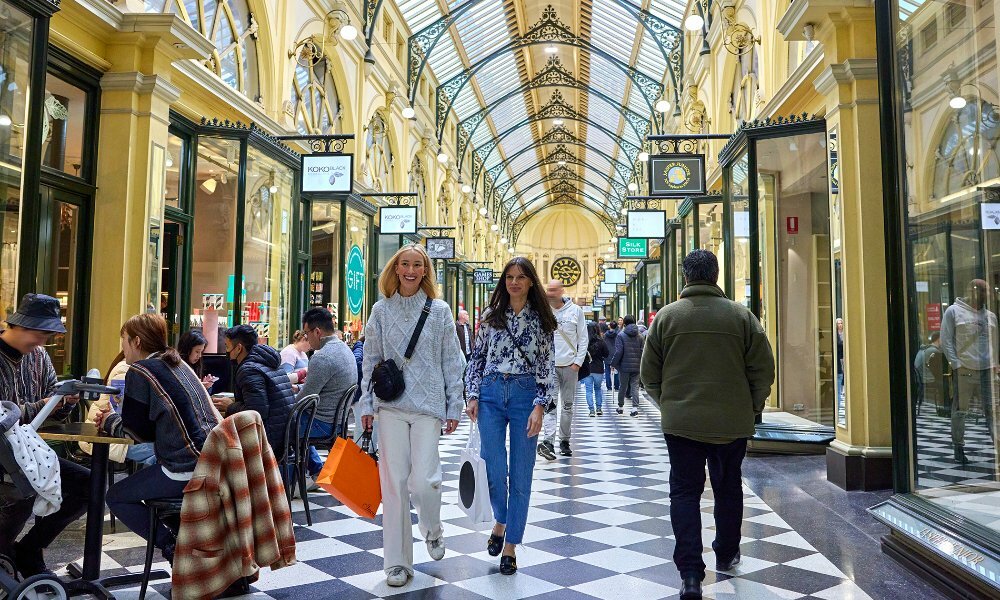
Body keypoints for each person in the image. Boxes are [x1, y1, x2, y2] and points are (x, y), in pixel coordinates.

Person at [640, 250, 774, 600]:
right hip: (732, 422)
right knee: (728, 487)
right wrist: (752, 405)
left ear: (685, 276)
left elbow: (648, 374)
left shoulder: (666, 318)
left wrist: (669, 404)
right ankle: (727, 552)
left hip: (681, 424)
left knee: (684, 492)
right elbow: (763, 369)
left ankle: (690, 575)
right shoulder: (741, 317)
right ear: (716, 275)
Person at [359, 244, 465, 588]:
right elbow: (370, 358)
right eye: (404, 264)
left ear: (425, 271)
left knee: (424, 480)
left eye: (417, 265)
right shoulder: (379, 310)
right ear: (395, 268)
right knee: (393, 485)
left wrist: (454, 404)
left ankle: (432, 528)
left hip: (428, 406)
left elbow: (452, 359)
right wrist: (367, 404)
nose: (410, 270)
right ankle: (397, 564)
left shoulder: (440, 310)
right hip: (390, 406)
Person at [94, 314, 220, 562]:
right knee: (149, 479)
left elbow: (139, 434)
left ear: (136, 342)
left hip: (185, 466)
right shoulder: (178, 363)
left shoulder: (140, 370)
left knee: (116, 496)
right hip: (215, 459)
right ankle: (189, 540)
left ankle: (173, 548)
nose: (123, 347)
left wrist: (108, 420)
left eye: (124, 340)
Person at [465, 257, 556, 575]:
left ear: (531, 281)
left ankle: (510, 546)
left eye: (521, 277)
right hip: (490, 393)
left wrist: (540, 405)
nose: (514, 282)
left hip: (524, 396)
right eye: (509, 277)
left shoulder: (542, 319)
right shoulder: (491, 316)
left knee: (521, 475)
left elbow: (546, 366)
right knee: (493, 466)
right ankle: (500, 519)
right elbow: (476, 358)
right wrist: (472, 394)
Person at [0, 293, 89, 577]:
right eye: (41, 333)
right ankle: (4, 552)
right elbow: (4, 415)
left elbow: (51, 409)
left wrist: (65, 404)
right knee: (25, 489)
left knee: (88, 484)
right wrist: (47, 404)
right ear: (21, 325)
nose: (44, 342)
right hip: (4, 454)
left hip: (29, 452)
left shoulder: (38, 357)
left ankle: (28, 549)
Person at [297, 307, 359, 481]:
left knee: (277, 424)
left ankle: (286, 480)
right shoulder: (345, 349)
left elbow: (303, 401)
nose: (306, 338)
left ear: (317, 331)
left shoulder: (322, 357)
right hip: (339, 422)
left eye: (306, 333)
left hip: (322, 424)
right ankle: (316, 470)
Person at [941, 279, 998, 464]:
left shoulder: (990, 316)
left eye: (987, 292)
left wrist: (995, 364)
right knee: (960, 411)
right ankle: (958, 447)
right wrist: (956, 364)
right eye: (983, 291)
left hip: (987, 370)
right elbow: (946, 339)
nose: (987, 295)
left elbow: (995, 343)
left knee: (993, 410)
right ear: (973, 291)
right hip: (965, 369)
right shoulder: (953, 311)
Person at [215, 325, 295, 454]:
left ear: (239, 348)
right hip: (285, 435)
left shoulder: (248, 370)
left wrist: (231, 406)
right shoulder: (268, 361)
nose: (227, 352)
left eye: (227, 347)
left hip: (268, 439)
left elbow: (257, 411)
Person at [539, 280, 587, 459]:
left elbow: (583, 338)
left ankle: (564, 440)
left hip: (569, 366)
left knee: (568, 405)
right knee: (550, 405)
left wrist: (578, 362)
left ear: (561, 291)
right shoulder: (543, 312)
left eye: (553, 290)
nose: (550, 293)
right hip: (550, 367)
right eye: (548, 290)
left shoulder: (576, 311)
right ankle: (548, 441)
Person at [611, 315, 645, 417]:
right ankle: (634, 408)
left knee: (623, 386)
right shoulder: (640, 336)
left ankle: (620, 407)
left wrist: (613, 363)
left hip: (624, 366)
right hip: (637, 366)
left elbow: (619, 352)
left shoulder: (621, 335)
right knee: (635, 387)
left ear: (624, 324)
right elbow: (643, 351)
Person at [582, 321, 609, 417]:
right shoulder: (601, 341)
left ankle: (591, 410)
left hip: (587, 369)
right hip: (599, 369)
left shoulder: (584, 342)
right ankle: (599, 408)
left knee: (589, 390)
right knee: (598, 389)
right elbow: (606, 354)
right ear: (597, 329)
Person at [603, 321, 620, 392]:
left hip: (607, 354)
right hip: (615, 354)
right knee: (616, 370)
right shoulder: (618, 334)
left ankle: (609, 386)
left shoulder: (605, 335)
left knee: (607, 371)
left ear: (609, 326)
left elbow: (604, 344)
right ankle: (616, 386)